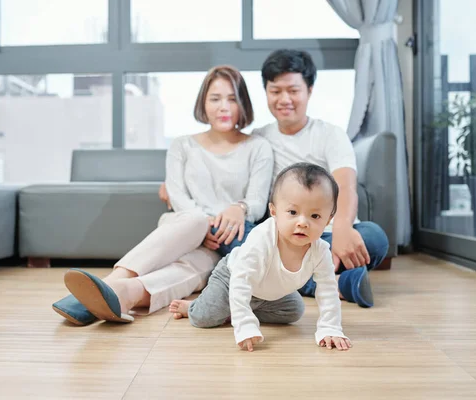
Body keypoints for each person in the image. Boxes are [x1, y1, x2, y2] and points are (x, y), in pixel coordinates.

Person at [160, 49, 389, 308]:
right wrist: (173, 183)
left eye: (293, 90)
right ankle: (336, 282)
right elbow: (230, 171)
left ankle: (308, 274)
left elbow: (346, 186)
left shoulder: (330, 135)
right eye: (275, 91)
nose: (284, 99)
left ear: (309, 90)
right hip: (280, 237)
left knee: (374, 237)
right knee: (233, 232)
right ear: (266, 92)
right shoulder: (258, 139)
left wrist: (342, 229)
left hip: (326, 231)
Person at [52, 65, 274, 325]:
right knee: (195, 219)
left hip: (221, 243)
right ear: (203, 103)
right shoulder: (182, 145)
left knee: (198, 267)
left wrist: (240, 208)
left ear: (243, 104)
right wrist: (205, 225)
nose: (224, 107)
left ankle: (124, 295)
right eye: (215, 99)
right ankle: (112, 282)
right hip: (182, 228)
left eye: (232, 99)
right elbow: (178, 198)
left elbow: (258, 203)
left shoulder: (258, 147)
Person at [169, 163, 351, 352]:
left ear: (328, 220)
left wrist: (330, 328)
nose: (302, 222)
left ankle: (240, 306)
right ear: (274, 211)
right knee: (204, 318)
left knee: (294, 311)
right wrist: (245, 325)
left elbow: (328, 289)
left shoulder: (320, 250)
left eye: (315, 215)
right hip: (233, 277)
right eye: (292, 212)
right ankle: (195, 306)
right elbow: (241, 280)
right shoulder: (262, 238)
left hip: (268, 292)